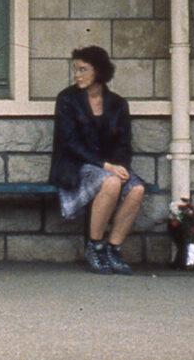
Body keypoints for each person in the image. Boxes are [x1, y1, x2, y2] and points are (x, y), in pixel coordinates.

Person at [49, 45, 145, 275]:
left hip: (109, 167)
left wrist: (120, 167)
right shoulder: (67, 99)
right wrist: (106, 167)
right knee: (110, 182)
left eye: (83, 69)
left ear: (99, 71)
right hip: (75, 166)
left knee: (137, 189)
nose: (77, 75)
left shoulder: (118, 104)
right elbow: (69, 142)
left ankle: (113, 248)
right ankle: (95, 246)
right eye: (75, 69)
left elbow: (123, 143)